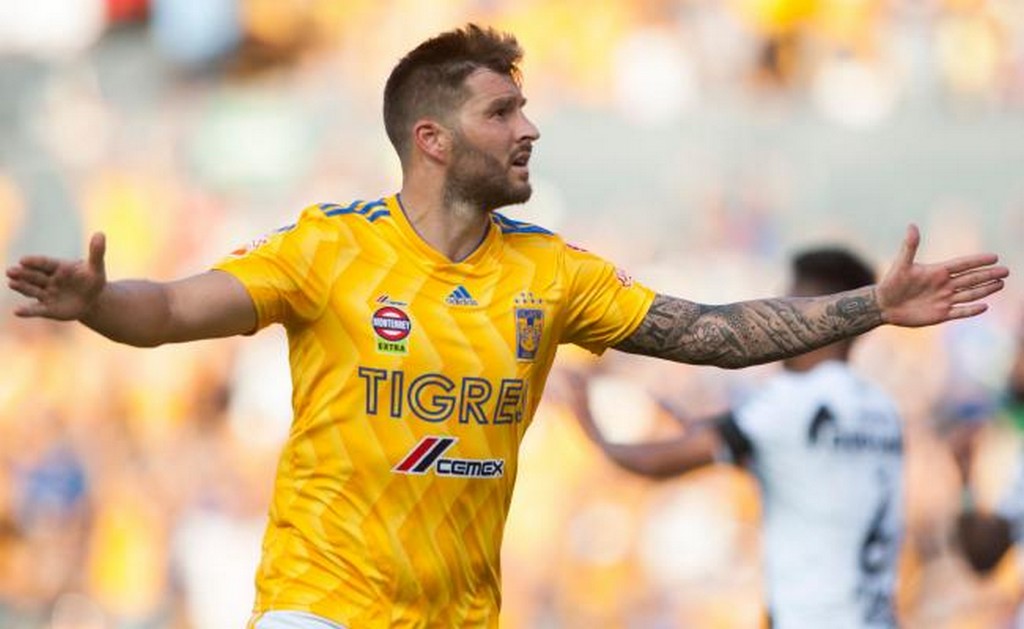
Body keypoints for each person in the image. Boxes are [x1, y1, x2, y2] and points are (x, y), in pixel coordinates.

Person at [4, 23, 1009, 629]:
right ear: (432, 140)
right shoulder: (327, 248)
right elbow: (171, 309)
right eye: (502, 113)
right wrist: (98, 302)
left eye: (526, 108)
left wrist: (873, 306)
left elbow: (711, 330)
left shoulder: (551, 272)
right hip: (323, 607)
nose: (529, 128)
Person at [565, 247, 907, 628]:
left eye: (787, 306)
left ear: (815, 314)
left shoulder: (789, 400)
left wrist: (593, 431)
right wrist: (696, 424)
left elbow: (658, 463)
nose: (777, 323)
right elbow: (798, 468)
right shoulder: (883, 410)